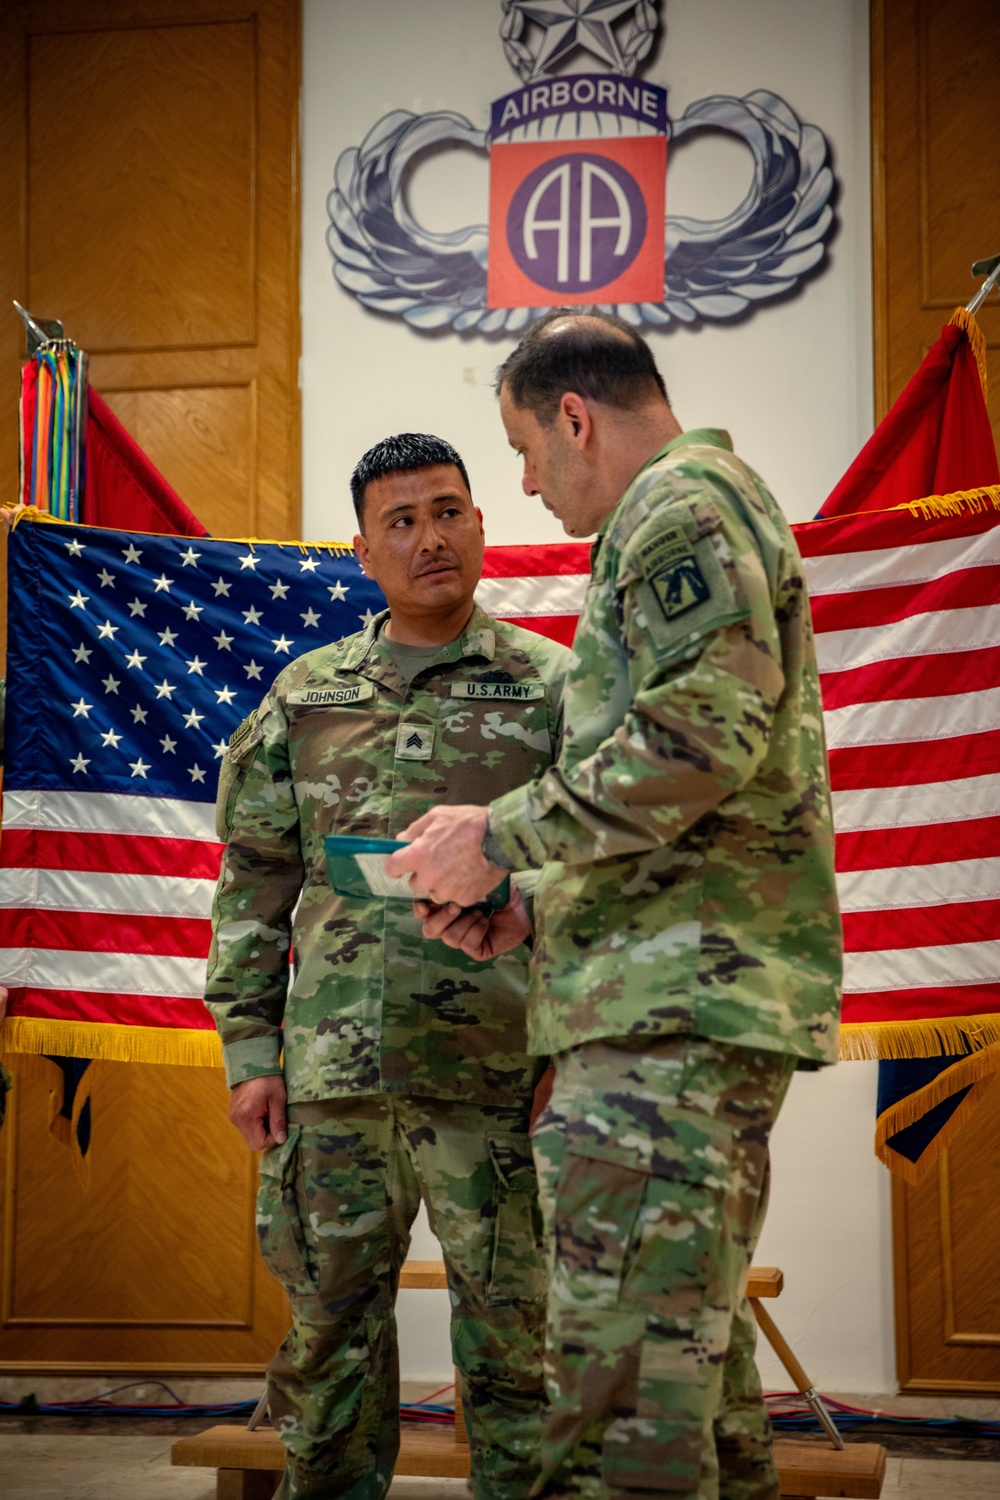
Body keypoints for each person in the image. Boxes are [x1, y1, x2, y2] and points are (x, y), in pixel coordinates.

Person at [386, 315, 843, 1500]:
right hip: (666, 993)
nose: (524, 483)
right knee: (695, 1391)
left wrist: (495, 838)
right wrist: (534, 904)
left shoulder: (679, 509)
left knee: (618, 1411)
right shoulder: (689, 510)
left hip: (669, 1016)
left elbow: (701, 737)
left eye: (524, 451)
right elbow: (689, 798)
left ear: (574, 416)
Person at [204, 433, 570, 1500]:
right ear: (362, 549)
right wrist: (249, 1048)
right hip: (331, 1089)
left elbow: (606, 872)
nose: (429, 538)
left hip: (498, 1081)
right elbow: (255, 881)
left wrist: (571, 1043)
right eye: (400, 521)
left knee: (519, 1357)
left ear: (482, 523)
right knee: (328, 1356)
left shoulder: (553, 688)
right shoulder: (307, 695)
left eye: (447, 510)